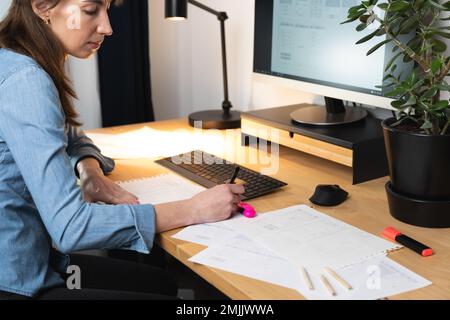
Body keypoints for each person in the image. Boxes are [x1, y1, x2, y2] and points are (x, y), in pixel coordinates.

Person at [0, 0, 244, 300]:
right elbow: (70, 227)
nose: (107, 27)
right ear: (43, 7)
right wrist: (191, 209)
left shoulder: (19, 59)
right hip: (16, 282)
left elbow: (70, 135)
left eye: (106, 10)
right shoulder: (26, 80)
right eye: (91, 10)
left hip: (34, 260)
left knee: (161, 284)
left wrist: (89, 171)